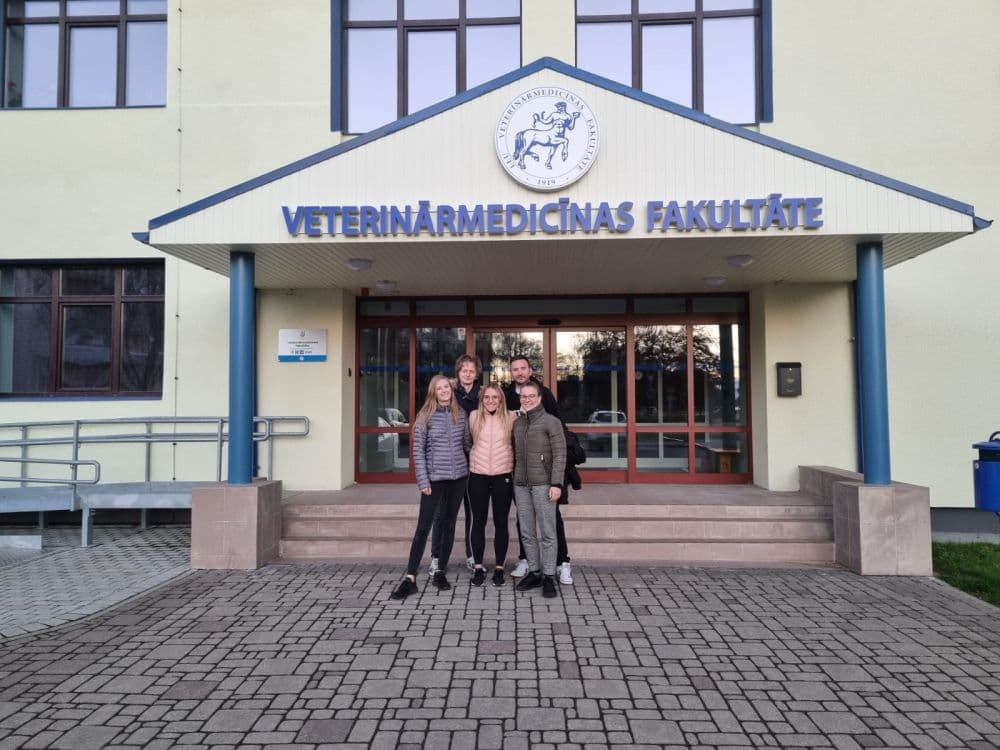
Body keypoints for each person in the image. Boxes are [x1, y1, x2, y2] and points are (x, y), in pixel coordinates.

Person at [390, 374, 471, 601]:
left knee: (449, 525)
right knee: (423, 528)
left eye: (447, 387)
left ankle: (439, 571)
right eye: (439, 388)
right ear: (433, 392)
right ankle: (410, 577)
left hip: (458, 479)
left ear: (451, 390)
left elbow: (466, 444)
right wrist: (423, 481)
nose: (444, 390)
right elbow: (418, 452)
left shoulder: (460, 415)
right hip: (434, 480)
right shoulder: (424, 417)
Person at [504, 355, 574, 585]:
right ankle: (527, 560)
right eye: (515, 369)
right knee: (524, 522)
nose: (519, 372)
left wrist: (557, 478)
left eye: (523, 368)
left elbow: (558, 429)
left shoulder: (544, 393)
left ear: (530, 370)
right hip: (521, 474)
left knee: (552, 520)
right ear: (511, 372)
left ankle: (562, 562)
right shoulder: (507, 395)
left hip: (545, 473)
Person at [511, 381, 566, 599]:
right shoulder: (518, 424)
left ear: (539, 398)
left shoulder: (551, 422)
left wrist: (557, 484)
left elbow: (560, 455)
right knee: (526, 531)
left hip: (544, 484)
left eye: (531, 396)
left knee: (548, 532)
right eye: (524, 396)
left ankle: (549, 576)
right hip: (521, 485)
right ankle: (534, 572)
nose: (527, 399)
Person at [467, 383, 516, 587]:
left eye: (495, 397)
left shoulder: (511, 417)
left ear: (501, 399)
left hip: (502, 475)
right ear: (482, 399)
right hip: (477, 475)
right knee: (478, 521)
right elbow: (467, 442)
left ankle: (499, 568)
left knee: (501, 522)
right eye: (487, 397)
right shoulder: (473, 417)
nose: (490, 401)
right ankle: (478, 567)